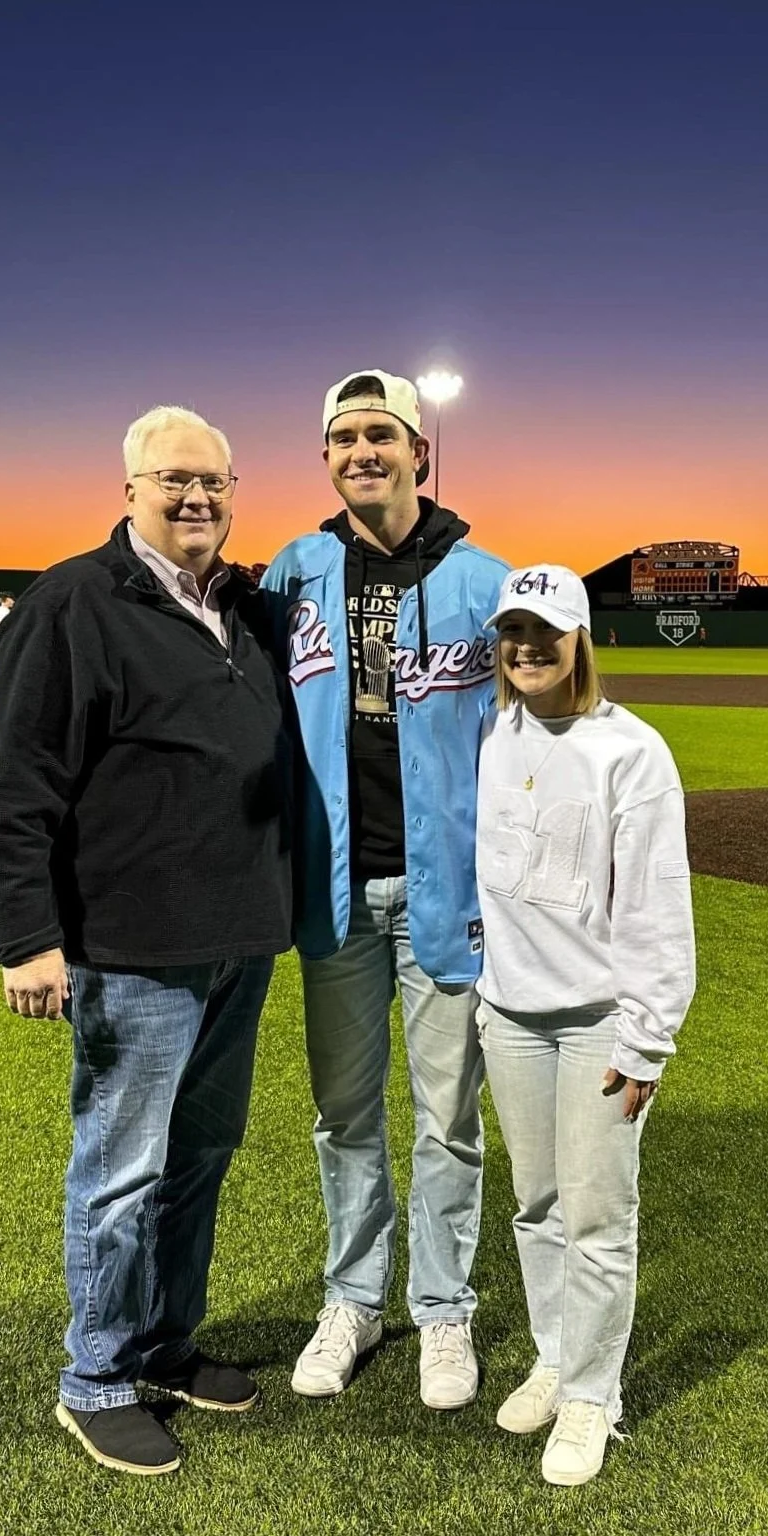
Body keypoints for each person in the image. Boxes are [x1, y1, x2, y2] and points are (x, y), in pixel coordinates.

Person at [0, 403, 293, 1477]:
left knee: (199, 1157)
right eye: (173, 479)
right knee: (120, 1171)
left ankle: (162, 1343)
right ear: (129, 490)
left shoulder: (244, 608)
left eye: (213, 480)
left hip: (240, 936)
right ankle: (97, 1375)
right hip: (130, 945)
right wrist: (26, 935)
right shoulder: (72, 602)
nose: (196, 497)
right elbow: (17, 781)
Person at [260, 368, 505, 1410]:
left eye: (381, 434)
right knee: (344, 1112)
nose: (362, 451)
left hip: (450, 895)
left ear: (420, 452)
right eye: (344, 437)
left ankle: (443, 1308)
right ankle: (355, 1297)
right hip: (337, 893)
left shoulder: (487, 577)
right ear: (326, 458)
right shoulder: (292, 571)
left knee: (448, 1119)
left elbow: (541, 737)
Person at [475, 565, 696, 1485]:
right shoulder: (495, 731)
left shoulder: (630, 750)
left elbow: (655, 904)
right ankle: (557, 1356)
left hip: (600, 1022)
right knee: (537, 1205)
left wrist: (648, 1035)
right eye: (513, 632)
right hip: (513, 1015)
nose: (527, 648)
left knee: (599, 1212)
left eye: (546, 632)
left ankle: (594, 1394)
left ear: (579, 638)